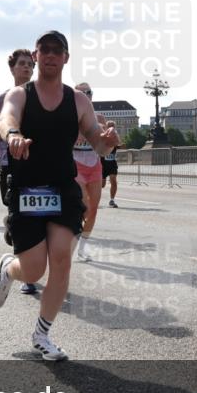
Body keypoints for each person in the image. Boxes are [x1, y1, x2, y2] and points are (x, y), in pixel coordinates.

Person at [0, 30, 118, 361]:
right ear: (36, 56)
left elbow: (98, 144)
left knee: (61, 259)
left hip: (62, 187)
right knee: (32, 271)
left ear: (65, 57)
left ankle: (42, 334)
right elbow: (7, 119)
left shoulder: (78, 100)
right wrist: (14, 135)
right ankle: (8, 269)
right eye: (43, 49)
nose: (49, 55)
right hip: (28, 187)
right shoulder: (20, 94)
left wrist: (108, 140)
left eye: (56, 50)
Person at [0, 48, 40, 294]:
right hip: (10, 162)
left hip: (37, 162)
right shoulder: (1, 99)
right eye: (22, 64)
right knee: (16, 212)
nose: (27, 68)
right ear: (12, 68)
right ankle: (12, 227)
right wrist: (5, 132)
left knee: (32, 215)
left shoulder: (42, 96)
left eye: (30, 64)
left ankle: (28, 276)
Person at [73, 83, 120, 262]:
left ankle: (82, 248)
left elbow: (108, 143)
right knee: (83, 206)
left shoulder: (99, 117)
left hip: (94, 165)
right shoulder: (70, 116)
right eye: (82, 93)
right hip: (75, 163)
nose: (86, 95)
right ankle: (72, 226)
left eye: (89, 92)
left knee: (93, 210)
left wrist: (111, 137)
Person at [101, 123, 119, 208]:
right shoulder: (102, 137)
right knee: (102, 185)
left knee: (114, 181)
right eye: (110, 127)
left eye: (113, 127)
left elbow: (119, 143)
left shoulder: (115, 137)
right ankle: (90, 197)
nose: (112, 129)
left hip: (112, 163)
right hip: (102, 164)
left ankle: (112, 200)